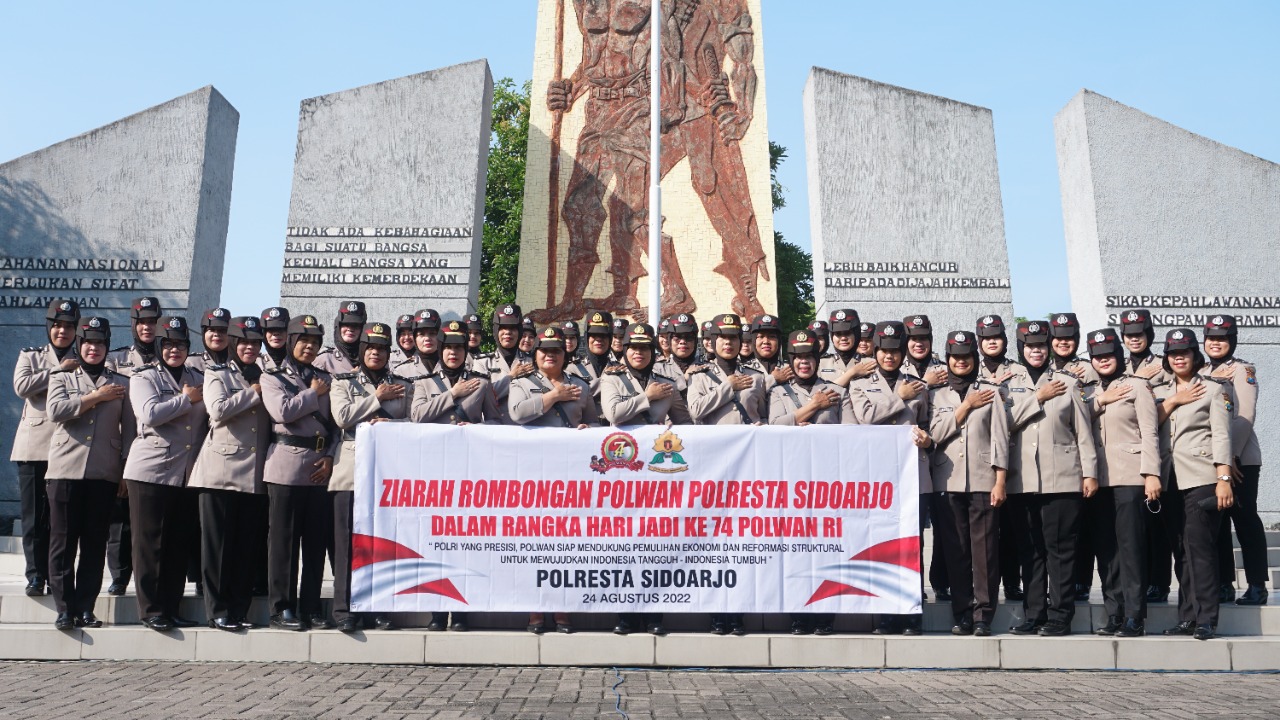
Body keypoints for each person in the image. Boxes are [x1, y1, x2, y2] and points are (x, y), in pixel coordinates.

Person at [1004, 321, 1098, 637]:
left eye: (1042, 346)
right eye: (1030, 346)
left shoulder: (1069, 383)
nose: (1036, 351)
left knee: (1060, 550)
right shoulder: (1008, 383)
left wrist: (1090, 474)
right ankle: (1034, 614)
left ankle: (1059, 615)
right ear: (1021, 349)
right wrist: (1038, 397)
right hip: (1022, 480)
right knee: (1029, 551)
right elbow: (1004, 425)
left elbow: (1084, 432)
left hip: (1063, 478)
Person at [600, 322, 690, 636]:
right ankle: (625, 616)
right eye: (633, 347)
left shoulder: (668, 383)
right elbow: (614, 413)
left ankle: (654, 615)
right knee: (624, 547)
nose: (639, 353)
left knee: (656, 546)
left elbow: (685, 421)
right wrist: (646, 396)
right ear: (624, 350)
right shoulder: (612, 378)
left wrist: (676, 434)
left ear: (653, 351)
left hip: (656, 475)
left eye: (644, 348)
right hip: (622, 473)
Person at [45, 316, 135, 630]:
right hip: (65, 469)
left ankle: (86, 607)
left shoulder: (122, 382)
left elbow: (131, 431)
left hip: (104, 470)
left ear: (106, 347)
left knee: (95, 543)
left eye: (98, 343)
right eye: (87, 343)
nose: (93, 348)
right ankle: (64, 608)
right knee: (63, 542)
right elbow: (55, 411)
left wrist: (124, 469)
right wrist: (96, 397)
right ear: (79, 346)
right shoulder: (62, 376)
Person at [845, 321, 934, 636]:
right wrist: (900, 396)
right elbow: (866, 418)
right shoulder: (860, 383)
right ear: (876, 351)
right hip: (879, 478)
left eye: (895, 351)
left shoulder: (918, 384)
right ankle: (885, 615)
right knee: (881, 545)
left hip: (914, 476)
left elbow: (927, 424)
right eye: (884, 350)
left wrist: (927, 438)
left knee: (912, 545)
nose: (889, 356)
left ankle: (911, 614)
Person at [508, 325, 598, 635]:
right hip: (534, 475)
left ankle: (562, 610)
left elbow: (595, 421)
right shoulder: (521, 383)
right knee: (535, 543)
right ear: (535, 354)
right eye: (544, 350)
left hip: (570, 475)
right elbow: (517, 414)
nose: (550, 355)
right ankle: (535, 612)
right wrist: (554, 396)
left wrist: (589, 430)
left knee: (567, 544)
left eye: (556, 351)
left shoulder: (581, 386)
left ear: (565, 354)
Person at [123, 316, 208, 632]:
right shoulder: (143, 376)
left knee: (177, 544)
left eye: (181, 344)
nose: (175, 350)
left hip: (186, 474)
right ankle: (151, 609)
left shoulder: (198, 376)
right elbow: (149, 414)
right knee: (150, 544)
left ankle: (171, 608)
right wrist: (186, 399)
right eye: (169, 344)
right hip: (150, 471)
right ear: (159, 346)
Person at [330, 322, 414, 634]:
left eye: (381, 348)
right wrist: (377, 398)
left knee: (383, 545)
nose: (376, 353)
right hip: (351, 471)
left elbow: (411, 421)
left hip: (387, 474)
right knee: (347, 544)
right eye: (370, 348)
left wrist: (391, 423)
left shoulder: (404, 383)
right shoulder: (342, 382)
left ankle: (379, 609)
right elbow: (342, 417)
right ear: (362, 351)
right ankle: (344, 609)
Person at [189, 315, 271, 632]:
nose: (249, 348)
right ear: (234, 344)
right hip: (219, 471)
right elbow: (217, 409)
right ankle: (218, 610)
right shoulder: (217, 372)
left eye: (255, 342)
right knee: (217, 547)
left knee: (245, 547)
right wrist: (252, 392)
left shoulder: (269, 374)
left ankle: (239, 608)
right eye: (244, 342)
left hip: (253, 473)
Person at [687, 313, 765, 635]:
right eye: (724, 338)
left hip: (749, 467)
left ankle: (740, 611)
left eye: (734, 338)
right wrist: (727, 387)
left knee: (744, 541)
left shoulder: (757, 376)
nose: (729, 343)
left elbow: (765, 413)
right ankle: (719, 611)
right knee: (716, 542)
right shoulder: (700, 375)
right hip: (716, 469)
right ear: (713, 343)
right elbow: (695, 411)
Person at [1155, 328, 1235, 640]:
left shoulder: (1214, 389)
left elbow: (1222, 435)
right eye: (1173, 353)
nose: (1179, 358)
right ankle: (1187, 616)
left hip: (1202, 477)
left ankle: (1206, 619)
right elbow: (1150, 422)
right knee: (1180, 550)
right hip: (1169, 478)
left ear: (1194, 355)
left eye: (1184, 352)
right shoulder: (1160, 389)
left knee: (1200, 549)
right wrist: (1174, 400)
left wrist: (1224, 478)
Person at [928, 330, 1009, 637]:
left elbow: (1001, 438)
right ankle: (962, 612)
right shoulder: (936, 394)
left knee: (985, 551)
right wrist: (966, 406)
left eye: (966, 357)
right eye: (955, 357)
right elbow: (934, 436)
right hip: (946, 481)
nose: (960, 362)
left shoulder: (990, 391)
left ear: (974, 359)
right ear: (947, 360)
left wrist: (1000, 480)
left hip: (982, 479)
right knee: (956, 550)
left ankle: (983, 615)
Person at [261, 314, 339, 631]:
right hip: (285, 465)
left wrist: (332, 456)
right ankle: (281, 609)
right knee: (284, 542)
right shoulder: (272, 376)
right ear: (292, 342)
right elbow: (282, 412)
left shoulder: (326, 378)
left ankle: (310, 607)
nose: (308, 347)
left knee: (315, 542)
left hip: (320, 465)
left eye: (314, 342)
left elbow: (338, 424)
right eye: (303, 341)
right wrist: (312, 393)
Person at [1083, 327, 1161, 637]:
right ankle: (1113, 613)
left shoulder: (1138, 386)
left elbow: (1150, 431)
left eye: (1108, 355)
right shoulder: (1088, 392)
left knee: (1130, 547)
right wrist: (1100, 400)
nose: (1103, 361)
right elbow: (1074, 419)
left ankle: (1134, 616)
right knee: (1106, 550)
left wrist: (1151, 473)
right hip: (1098, 479)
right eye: (1097, 357)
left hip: (1130, 476)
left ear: (1118, 355)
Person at [11, 299, 80, 598]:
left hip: (67, 449)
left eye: (68, 326)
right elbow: (22, 387)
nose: (62, 331)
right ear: (49, 327)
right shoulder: (31, 356)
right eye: (57, 325)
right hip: (34, 447)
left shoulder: (84, 357)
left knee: (59, 520)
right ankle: (35, 576)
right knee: (33, 517)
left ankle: (56, 576)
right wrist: (59, 370)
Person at [1201, 315, 1266, 606]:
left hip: (1240, 460)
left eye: (1222, 338)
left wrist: (1230, 457)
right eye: (1211, 337)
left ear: (1232, 341)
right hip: (1215, 460)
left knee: (1245, 519)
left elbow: (1244, 416)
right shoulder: (1199, 371)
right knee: (1216, 523)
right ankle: (1224, 583)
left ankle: (1256, 585)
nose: (1216, 343)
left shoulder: (1242, 370)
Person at [104, 296, 162, 598]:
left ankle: (148, 578)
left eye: (153, 321)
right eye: (142, 322)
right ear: (134, 324)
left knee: (152, 523)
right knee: (119, 519)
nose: (147, 327)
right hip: (123, 444)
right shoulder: (116, 360)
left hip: (158, 447)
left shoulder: (169, 358)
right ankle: (119, 576)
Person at [1119, 309, 1173, 604]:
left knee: (1158, 525)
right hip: (1126, 459)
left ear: (1149, 334)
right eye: (1128, 334)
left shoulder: (1165, 367)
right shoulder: (1117, 365)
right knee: (1135, 528)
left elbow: (1166, 409)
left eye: (1139, 333)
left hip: (1158, 454)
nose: (1134, 339)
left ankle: (1160, 583)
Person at [975, 314, 1029, 602]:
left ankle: (1012, 582)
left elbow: (1017, 416)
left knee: (1011, 528)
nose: (991, 341)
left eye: (996, 337)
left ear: (1005, 341)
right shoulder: (971, 372)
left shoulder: (1020, 372)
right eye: (985, 337)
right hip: (980, 459)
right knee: (984, 533)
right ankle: (985, 588)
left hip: (1012, 459)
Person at [900, 314, 950, 601]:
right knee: (913, 531)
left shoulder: (943, 368)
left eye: (924, 338)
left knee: (944, 526)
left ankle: (941, 581)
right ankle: (913, 589)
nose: (919, 344)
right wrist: (923, 382)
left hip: (940, 453)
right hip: (910, 460)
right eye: (913, 338)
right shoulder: (896, 367)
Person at [412, 320, 503, 427]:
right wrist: (453, 393)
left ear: (465, 351)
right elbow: (416, 416)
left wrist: (477, 428)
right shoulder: (425, 382)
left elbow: (495, 421)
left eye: (458, 347)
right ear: (440, 350)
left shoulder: (482, 383)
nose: (453, 352)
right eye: (448, 347)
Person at [471, 304, 533, 424]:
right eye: (503, 328)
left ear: (519, 331)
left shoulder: (531, 362)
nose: (507, 332)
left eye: (513, 328)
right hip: (493, 429)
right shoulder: (482, 362)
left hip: (524, 430)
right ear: (496, 331)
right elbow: (480, 398)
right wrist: (510, 377)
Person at [565, 310, 616, 420]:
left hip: (614, 430)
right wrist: (607, 379)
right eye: (593, 335)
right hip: (586, 430)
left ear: (610, 338)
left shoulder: (619, 368)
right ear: (587, 338)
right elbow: (576, 396)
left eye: (603, 335)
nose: (598, 339)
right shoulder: (572, 368)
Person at [818, 309, 875, 388]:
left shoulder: (870, 363)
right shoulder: (821, 363)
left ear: (856, 334)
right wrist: (852, 373)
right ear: (832, 337)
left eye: (847, 333)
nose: (843, 338)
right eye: (838, 334)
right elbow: (821, 395)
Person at [653, 313, 704, 399]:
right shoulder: (657, 369)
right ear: (670, 341)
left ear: (695, 341)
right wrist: (684, 379)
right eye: (677, 338)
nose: (682, 342)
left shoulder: (707, 368)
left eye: (688, 337)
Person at [314, 301, 367, 375]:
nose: (350, 329)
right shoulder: (325, 359)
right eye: (345, 325)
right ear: (338, 327)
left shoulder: (371, 359)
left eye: (356, 325)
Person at [398, 309, 443, 381]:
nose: (427, 338)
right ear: (415, 338)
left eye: (432, 334)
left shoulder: (452, 369)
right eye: (421, 334)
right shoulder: (401, 372)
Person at [185, 307, 232, 373]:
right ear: (204, 333)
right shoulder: (190, 363)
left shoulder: (239, 364)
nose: (216, 334)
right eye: (211, 330)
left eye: (222, 330)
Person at [259, 307, 292, 372]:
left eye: (281, 329)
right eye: (271, 330)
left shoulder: (299, 364)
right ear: (263, 334)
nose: (276, 334)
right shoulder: (256, 364)